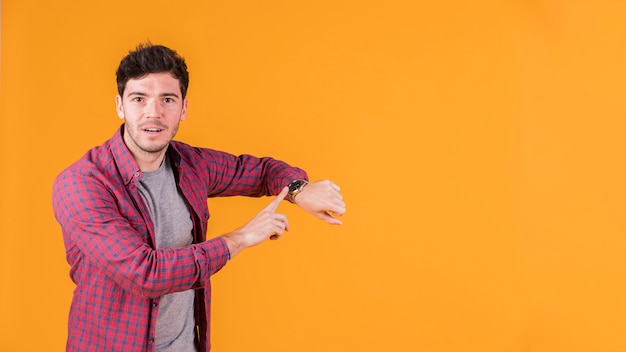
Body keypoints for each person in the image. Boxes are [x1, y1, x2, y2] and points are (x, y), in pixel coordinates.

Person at [52, 42, 346, 352]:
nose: (154, 113)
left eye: (167, 99)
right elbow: (144, 274)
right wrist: (240, 238)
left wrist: (299, 189)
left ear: (184, 108)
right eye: (139, 98)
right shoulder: (82, 184)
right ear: (120, 106)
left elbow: (260, 171)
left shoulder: (192, 164)